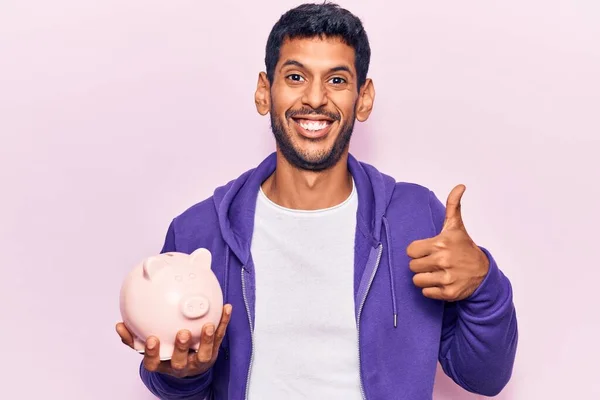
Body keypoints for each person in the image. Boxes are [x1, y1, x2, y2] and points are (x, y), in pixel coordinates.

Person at [116, 3, 518, 399]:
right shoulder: (198, 231)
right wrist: (184, 376)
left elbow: (484, 377)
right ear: (263, 92)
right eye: (295, 76)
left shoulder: (415, 217)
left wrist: (484, 282)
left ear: (363, 99)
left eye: (337, 81)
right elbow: (171, 376)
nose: (315, 98)